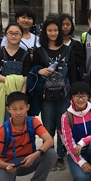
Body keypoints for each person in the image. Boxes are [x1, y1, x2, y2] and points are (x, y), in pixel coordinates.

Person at [0, 92, 58, 181]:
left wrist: (35, 155)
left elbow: (49, 140)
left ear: (27, 107)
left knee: (51, 154)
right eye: (14, 109)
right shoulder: (3, 129)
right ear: (8, 109)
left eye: (21, 108)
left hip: (27, 161)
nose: (18, 112)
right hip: (8, 164)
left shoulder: (33, 121)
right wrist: (6, 166)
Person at [32, 17, 78, 171]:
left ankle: (60, 155)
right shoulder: (39, 51)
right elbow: (32, 71)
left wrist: (73, 94)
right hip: (46, 95)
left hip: (64, 94)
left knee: (63, 125)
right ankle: (48, 154)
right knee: (48, 125)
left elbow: (73, 72)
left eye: (55, 30)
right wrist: (39, 70)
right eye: (49, 30)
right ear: (44, 32)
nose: (53, 33)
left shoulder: (68, 50)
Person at [60, 81, 91, 181]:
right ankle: (86, 164)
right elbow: (68, 143)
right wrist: (81, 162)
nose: (80, 100)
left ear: (88, 97)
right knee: (81, 179)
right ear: (72, 98)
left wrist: (82, 142)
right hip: (76, 151)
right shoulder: (66, 116)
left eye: (84, 96)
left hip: (90, 147)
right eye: (77, 96)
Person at [0, 22, 31, 126]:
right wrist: (11, 81)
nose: (13, 36)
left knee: (18, 122)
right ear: (6, 35)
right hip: (0, 93)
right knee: (3, 122)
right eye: (11, 33)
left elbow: (26, 76)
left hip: (19, 91)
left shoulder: (25, 54)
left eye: (17, 33)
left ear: (21, 35)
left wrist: (22, 95)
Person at [59, 13, 85, 82]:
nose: (65, 27)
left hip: (72, 79)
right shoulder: (52, 44)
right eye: (62, 25)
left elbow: (78, 63)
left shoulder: (76, 45)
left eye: (68, 25)